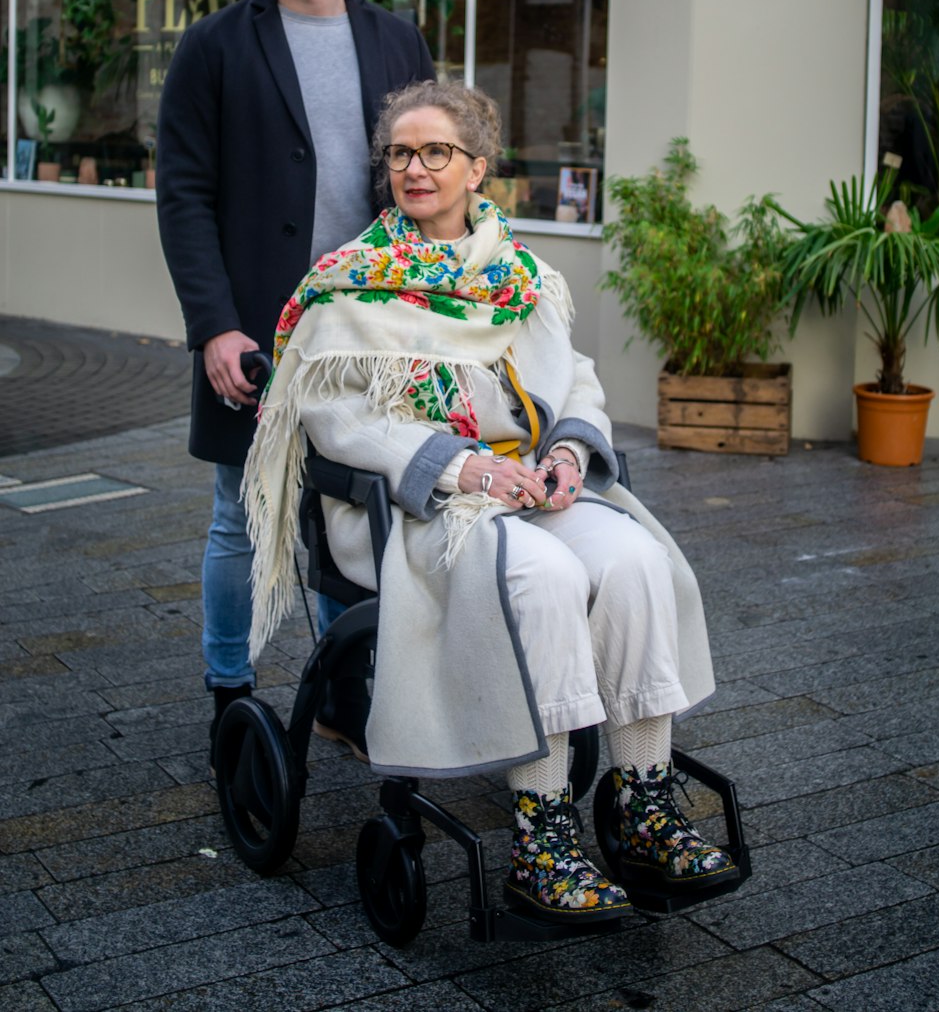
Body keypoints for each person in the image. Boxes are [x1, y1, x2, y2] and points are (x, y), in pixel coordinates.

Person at [243, 81, 738, 925]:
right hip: (415, 504)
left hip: (528, 485)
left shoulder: (521, 274)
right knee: (542, 574)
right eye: (401, 152)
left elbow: (573, 380)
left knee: (633, 561)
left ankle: (642, 803)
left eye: (436, 152)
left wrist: (571, 454)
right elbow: (336, 420)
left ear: (477, 167)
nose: (415, 168)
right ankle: (542, 838)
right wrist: (463, 470)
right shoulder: (348, 283)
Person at [155, 0, 435, 766]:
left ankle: (341, 693)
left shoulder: (399, 42)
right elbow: (184, 193)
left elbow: (427, 184)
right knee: (241, 513)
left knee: (353, 510)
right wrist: (214, 324)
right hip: (257, 331)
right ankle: (228, 691)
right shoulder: (215, 45)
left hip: (367, 329)